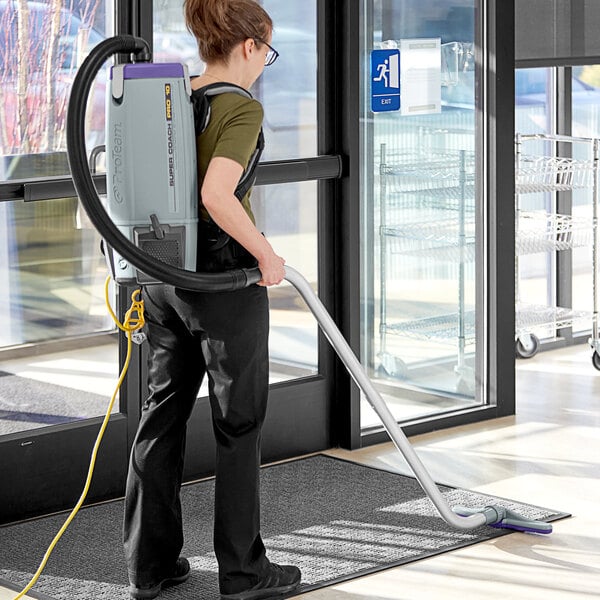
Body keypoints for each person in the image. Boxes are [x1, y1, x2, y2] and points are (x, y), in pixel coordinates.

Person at [122, 1, 301, 599]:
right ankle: (245, 573)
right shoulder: (239, 108)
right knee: (239, 425)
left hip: (162, 277)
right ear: (248, 47)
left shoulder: (174, 98)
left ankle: (153, 568)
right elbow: (218, 195)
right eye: (267, 53)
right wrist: (267, 256)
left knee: (161, 418)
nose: (264, 66)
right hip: (224, 284)